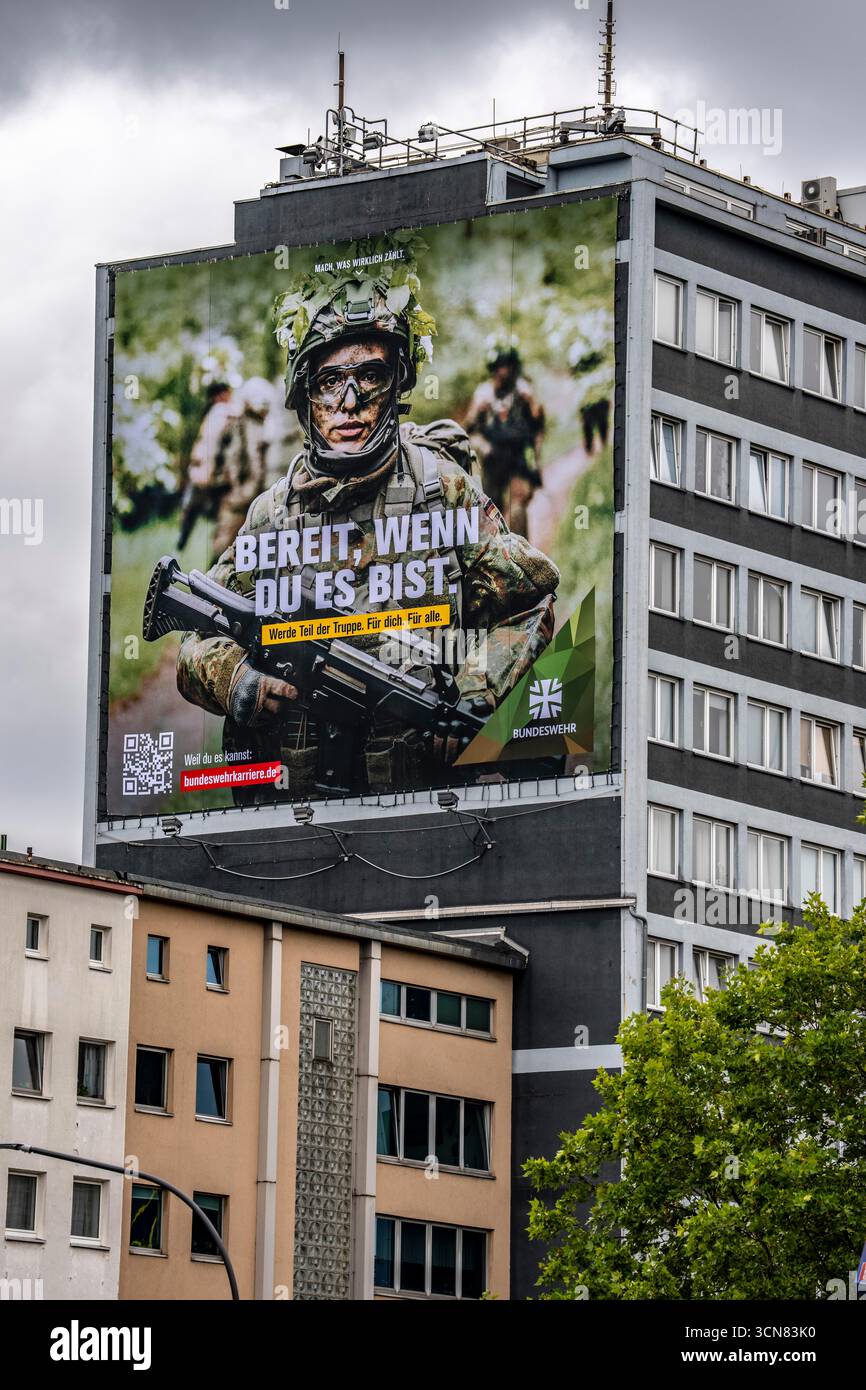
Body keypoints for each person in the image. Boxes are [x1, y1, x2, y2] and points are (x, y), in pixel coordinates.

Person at [175, 249, 560, 801]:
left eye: (370, 377)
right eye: (330, 380)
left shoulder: (440, 490)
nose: (349, 402)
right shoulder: (272, 515)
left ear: (397, 383)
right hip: (290, 826)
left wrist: (477, 691)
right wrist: (237, 681)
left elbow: (532, 601)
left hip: (424, 812)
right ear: (305, 393)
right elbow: (195, 637)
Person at [463, 343, 545, 538]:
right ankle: (497, 561)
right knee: (491, 512)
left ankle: (522, 559)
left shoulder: (523, 390)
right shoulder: (483, 393)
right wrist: (477, 413)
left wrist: (536, 464)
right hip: (492, 461)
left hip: (517, 460)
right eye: (500, 366)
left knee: (517, 508)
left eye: (508, 366)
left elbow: (537, 427)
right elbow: (465, 431)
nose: (504, 371)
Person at [176, 381, 236, 550]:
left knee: (191, 512)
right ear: (220, 395)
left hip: (205, 472)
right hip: (210, 473)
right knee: (214, 516)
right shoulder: (222, 412)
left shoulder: (215, 413)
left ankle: (180, 547)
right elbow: (211, 445)